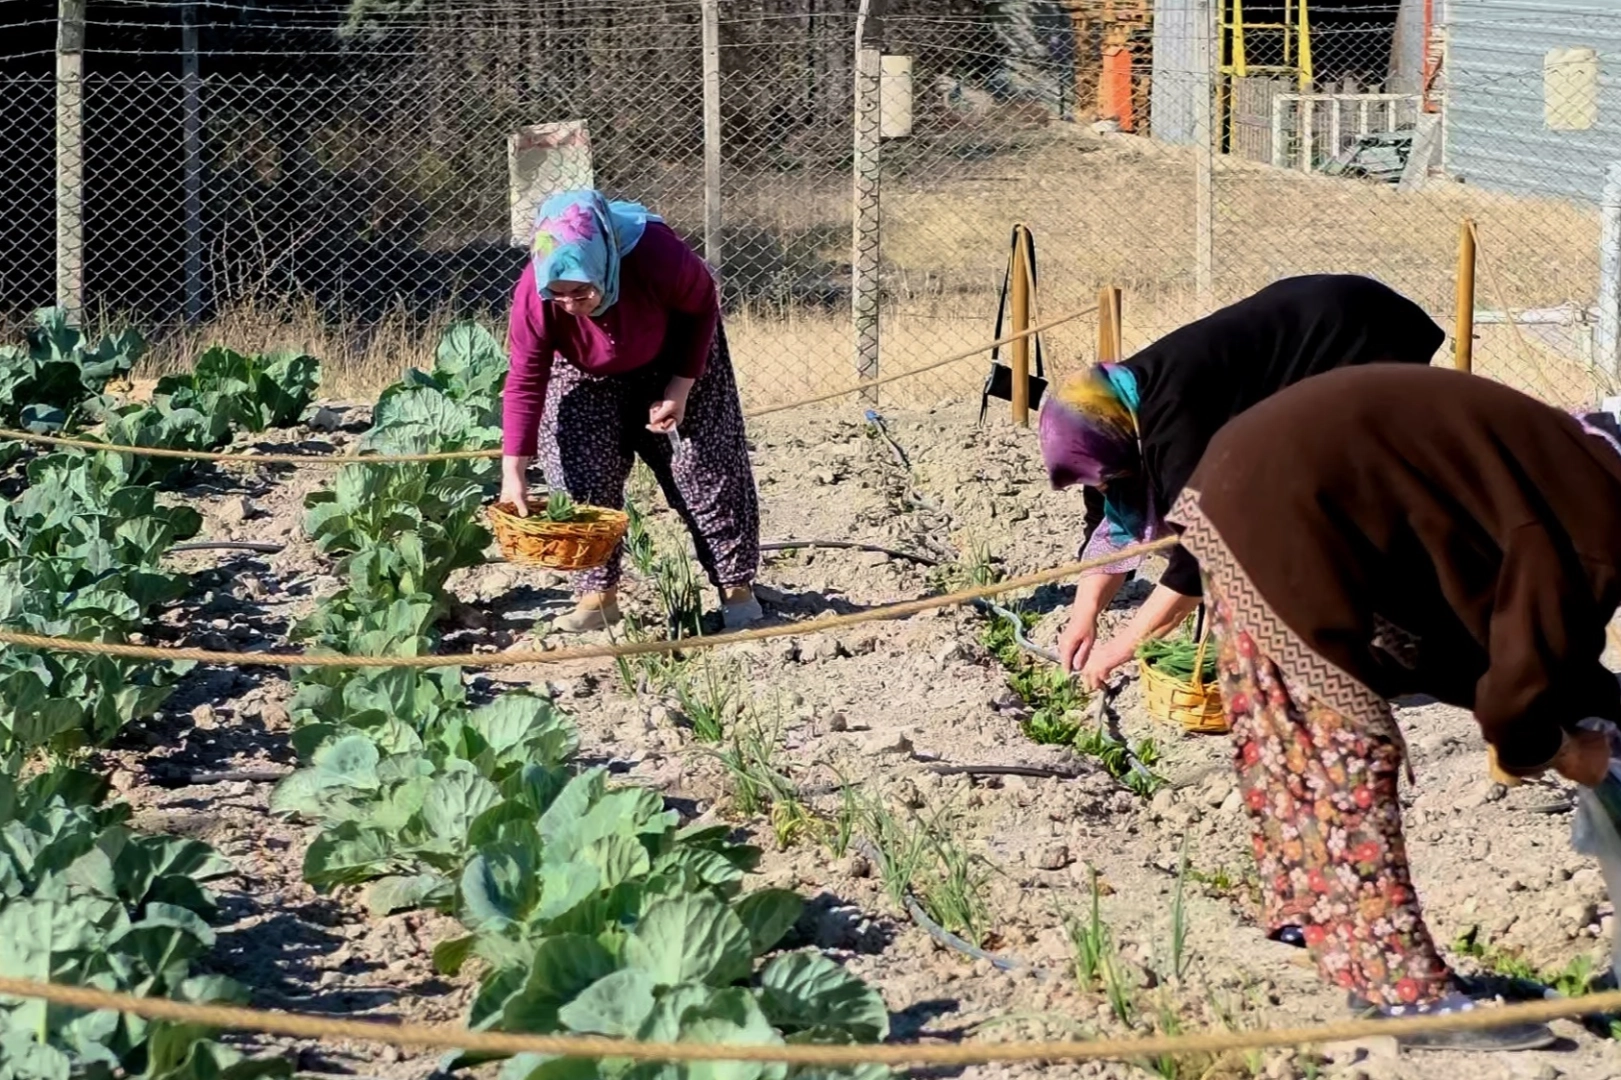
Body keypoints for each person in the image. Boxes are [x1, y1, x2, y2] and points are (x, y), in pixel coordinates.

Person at [1164, 363, 1621, 1051]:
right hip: (1290, 508)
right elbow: (1518, 681)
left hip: (1252, 482)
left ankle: (1315, 920)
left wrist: (1582, 712)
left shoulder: (1579, 466)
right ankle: (1403, 995)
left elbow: (1494, 628)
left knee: (1288, 734)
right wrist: (1556, 749)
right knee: (1349, 746)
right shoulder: (1596, 521)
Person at [1038, 274, 1445, 690]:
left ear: (1119, 443)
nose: (1104, 488)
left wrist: (1120, 648)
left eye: (1105, 479)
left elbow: (1203, 555)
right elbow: (1109, 529)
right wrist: (1083, 615)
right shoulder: (1109, 417)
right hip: (1304, 325)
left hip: (1356, 333)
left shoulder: (1175, 426)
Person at [500, 190, 763, 633]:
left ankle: (737, 591)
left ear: (603, 264)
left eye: (580, 290)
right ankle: (597, 598)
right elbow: (526, 380)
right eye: (557, 294)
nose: (569, 303)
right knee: (582, 471)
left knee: (702, 468)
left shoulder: (656, 255)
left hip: (675, 351)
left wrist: (680, 388)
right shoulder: (535, 295)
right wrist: (515, 472)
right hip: (584, 367)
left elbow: (702, 309)